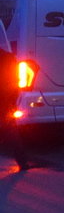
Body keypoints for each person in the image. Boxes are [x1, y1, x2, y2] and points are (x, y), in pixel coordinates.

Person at [0, 21, 29, 170]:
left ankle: (22, 161)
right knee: (11, 131)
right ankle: (22, 162)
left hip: (4, 99)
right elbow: (15, 81)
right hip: (5, 100)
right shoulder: (9, 58)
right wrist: (13, 101)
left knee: (9, 131)